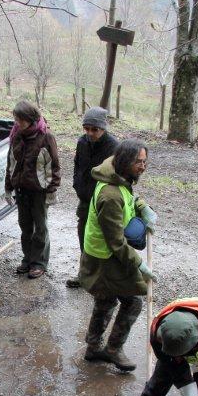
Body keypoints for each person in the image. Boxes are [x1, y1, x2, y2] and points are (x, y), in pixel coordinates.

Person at [78, 139, 157, 372]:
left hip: (106, 255)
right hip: (103, 259)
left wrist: (141, 205)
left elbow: (128, 198)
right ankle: (111, 349)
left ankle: (94, 348)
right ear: (124, 162)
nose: (142, 166)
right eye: (138, 162)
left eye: (144, 161)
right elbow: (115, 242)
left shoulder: (118, 177)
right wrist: (139, 264)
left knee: (106, 299)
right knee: (131, 301)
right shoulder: (110, 195)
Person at [5, 101, 60, 279]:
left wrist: (51, 190)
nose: (17, 123)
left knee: (40, 227)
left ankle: (39, 262)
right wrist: (8, 186)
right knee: (25, 226)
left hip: (39, 191)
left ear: (31, 119)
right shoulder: (16, 135)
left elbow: (54, 166)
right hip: (21, 189)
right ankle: (28, 259)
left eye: (20, 119)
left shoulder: (46, 137)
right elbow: (10, 163)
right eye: (16, 119)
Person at [66, 107, 118, 289]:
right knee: (84, 235)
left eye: (94, 129)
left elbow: (117, 175)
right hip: (85, 199)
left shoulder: (113, 146)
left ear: (103, 128)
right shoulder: (82, 142)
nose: (90, 133)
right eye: (86, 128)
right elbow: (77, 165)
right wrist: (76, 183)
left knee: (103, 239)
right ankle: (85, 274)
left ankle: (105, 277)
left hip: (103, 202)